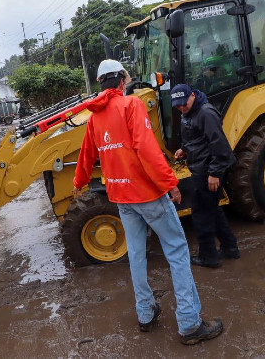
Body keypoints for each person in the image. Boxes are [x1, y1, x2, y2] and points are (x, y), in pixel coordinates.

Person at [73, 59, 223, 345]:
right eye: (126, 78)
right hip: (147, 195)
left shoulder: (94, 118)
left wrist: (78, 183)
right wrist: (170, 183)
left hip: (121, 198)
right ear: (121, 81)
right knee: (177, 251)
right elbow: (147, 148)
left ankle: (145, 313)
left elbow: (86, 155)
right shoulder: (131, 106)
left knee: (137, 255)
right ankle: (190, 324)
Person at [171, 83, 239, 268]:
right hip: (201, 166)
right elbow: (196, 138)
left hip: (209, 170)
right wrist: (184, 149)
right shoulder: (189, 113)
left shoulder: (206, 113)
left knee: (201, 214)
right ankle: (230, 248)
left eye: (184, 103)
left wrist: (214, 173)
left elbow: (220, 145)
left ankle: (209, 257)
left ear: (192, 95)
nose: (182, 107)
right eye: (178, 105)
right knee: (212, 209)